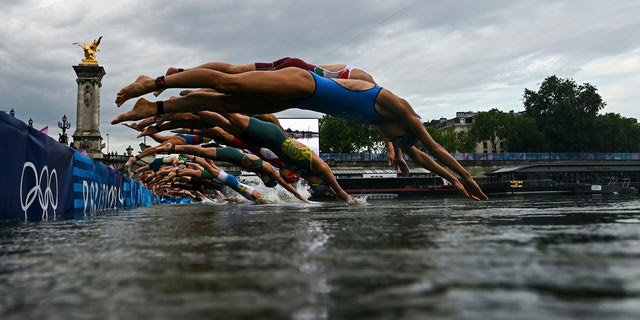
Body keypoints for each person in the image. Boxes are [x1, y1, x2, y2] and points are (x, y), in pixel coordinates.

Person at [113, 66, 487, 201]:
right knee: (230, 86)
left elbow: (424, 156)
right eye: (401, 141)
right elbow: (435, 147)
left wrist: (451, 183)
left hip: (303, 97)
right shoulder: (399, 108)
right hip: (305, 82)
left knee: (228, 100)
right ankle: (155, 84)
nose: (401, 145)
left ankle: (157, 108)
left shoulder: (394, 131)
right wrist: (466, 176)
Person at [155, 142, 310, 203]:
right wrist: (301, 197)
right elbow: (284, 183)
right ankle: (176, 149)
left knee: (208, 165)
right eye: (266, 181)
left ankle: (181, 153)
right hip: (234, 158)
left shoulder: (263, 172)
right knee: (206, 162)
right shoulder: (269, 169)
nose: (263, 181)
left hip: (234, 169)